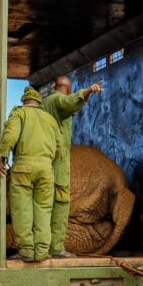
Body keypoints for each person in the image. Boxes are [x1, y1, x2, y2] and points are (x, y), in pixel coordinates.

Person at [0, 87, 63, 262]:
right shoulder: (50, 120)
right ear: (39, 102)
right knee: (44, 209)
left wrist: (1, 157)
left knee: (22, 209)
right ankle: (41, 251)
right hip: (46, 169)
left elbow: (10, 136)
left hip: (23, 167)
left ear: (24, 101)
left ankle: (26, 250)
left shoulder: (20, 114)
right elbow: (59, 147)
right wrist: (45, 162)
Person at [41, 76, 103, 258]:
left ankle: (43, 248)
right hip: (57, 161)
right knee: (59, 204)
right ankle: (56, 248)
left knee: (45, 205)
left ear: (53, 85)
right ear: (68, 89)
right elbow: (68, 103)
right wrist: (87, 92)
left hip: (51, 158)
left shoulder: (48, 104)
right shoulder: (56, 99)